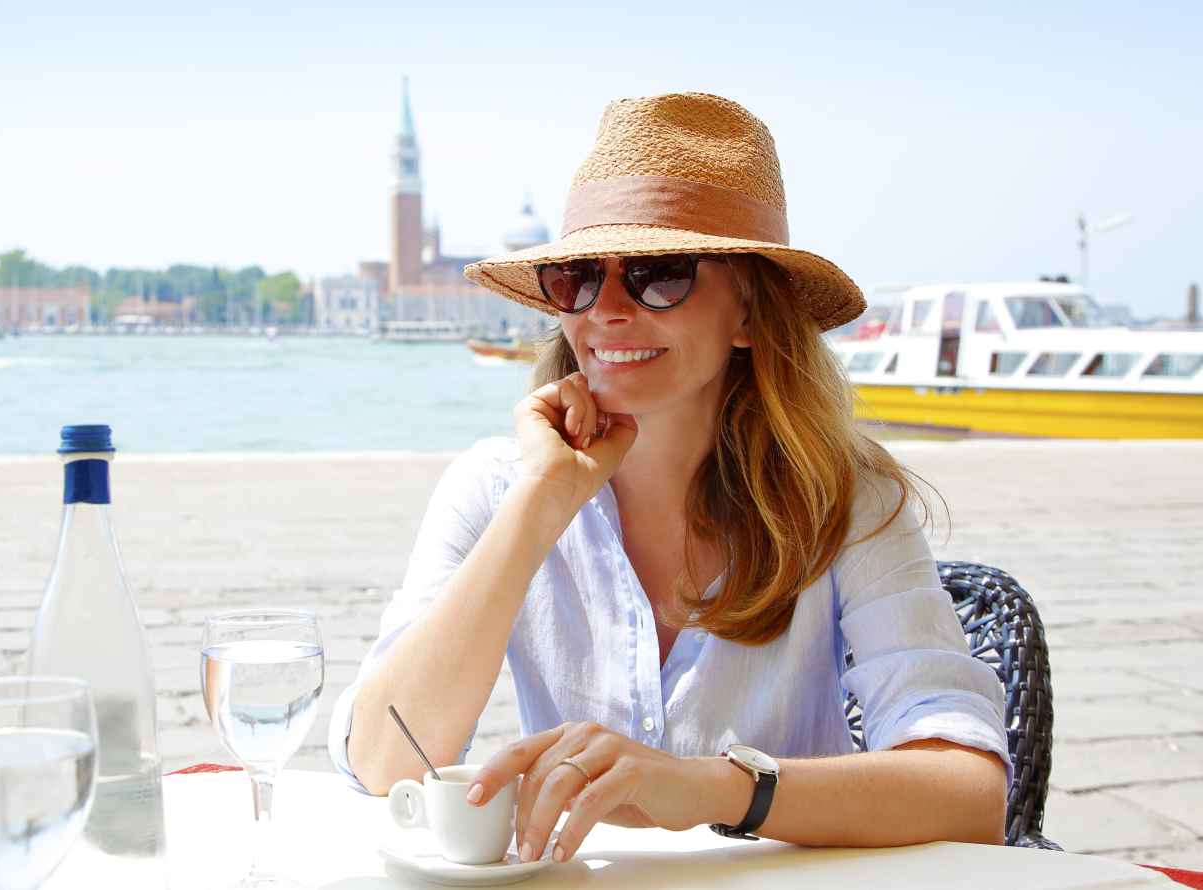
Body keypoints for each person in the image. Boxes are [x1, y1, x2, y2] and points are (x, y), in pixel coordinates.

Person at [327, 92, 1010, 864]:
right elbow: (386, 765)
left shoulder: (845, 498)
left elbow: (970, 794)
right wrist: (540, 505)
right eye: (578, 278)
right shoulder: (495, 488)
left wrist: (712, 788)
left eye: (658, 275)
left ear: (749, 313)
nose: (606, 311)